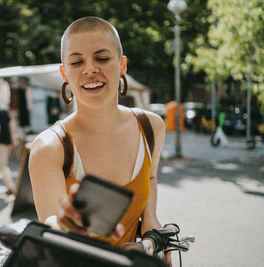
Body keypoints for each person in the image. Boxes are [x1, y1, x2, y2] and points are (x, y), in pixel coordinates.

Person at [29, 17, 171, 265]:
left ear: (122, 65)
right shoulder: (50, 148)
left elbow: (150, 178)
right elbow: (52, 224)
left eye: (102, 58)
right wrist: (61, 225)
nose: (90, 69)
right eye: (76, 61)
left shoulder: (151, 128)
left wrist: (150, 234)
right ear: (65, 73)